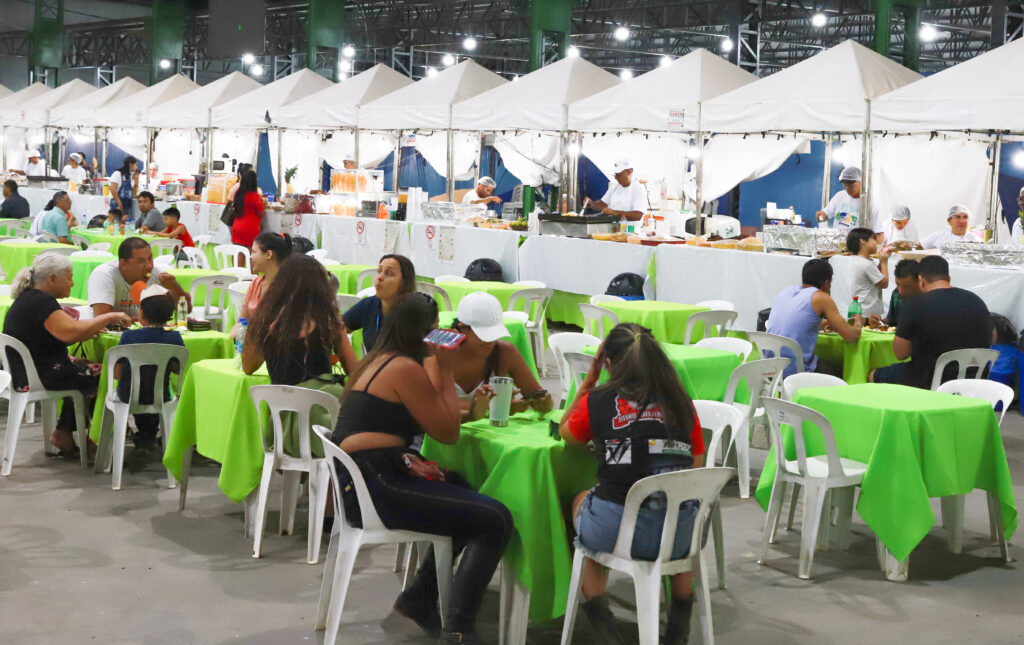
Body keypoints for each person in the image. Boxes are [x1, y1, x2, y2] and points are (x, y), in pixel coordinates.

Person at [331, 293, 513, 645]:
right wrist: (444, 367)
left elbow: (432, 420)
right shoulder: (403, 368)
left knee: (463, 489)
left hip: (366, 478)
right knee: (496, 519)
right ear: (422, 333)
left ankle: (420, 597)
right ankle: (458, 629)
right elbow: (447, 432)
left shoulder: (380, 359)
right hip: (377, 486)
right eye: (433, 330)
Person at [559, 323, 704, 645]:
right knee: (676, 508)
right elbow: (695, 468)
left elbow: (566, 434)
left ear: (608, 362)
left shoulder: (597, 400)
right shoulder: (682, 402)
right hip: (678, 538)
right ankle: (678, 629)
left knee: (578, 502)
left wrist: (589, 381)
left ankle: (606, 627)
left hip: (617, 533)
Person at [2, 254, 131, 456]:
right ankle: (95, 439)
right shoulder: (42, 303)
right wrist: (110, 316)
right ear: (52, 278)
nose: (72, 283)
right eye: (69, 277)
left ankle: (65, 432)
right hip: (37, 374)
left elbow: (63, 335)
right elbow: (72, 333)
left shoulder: (30, 298)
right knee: (107, 374)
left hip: (24, 370)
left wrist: (89, 329)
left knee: (85, 367)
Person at [870, 256, 994, 389]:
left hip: (930, 380)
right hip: (975, 381)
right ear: (948, 278)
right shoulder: (976, 300)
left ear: (921, 280)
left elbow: (900, 354)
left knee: (873, 375)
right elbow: (992, 337)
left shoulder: (914, 305)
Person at [242, 253, 358, 383]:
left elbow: (248, 367)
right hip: (319, 395)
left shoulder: (266, 320)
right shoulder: (328, 321)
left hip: (279, 395)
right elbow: (354, 371)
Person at [447, 291, 553, 420]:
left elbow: (537, 394)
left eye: (493, 334)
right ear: (463, 328)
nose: (489, 341)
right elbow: (433, 405)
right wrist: (498, 406)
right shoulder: (442, 353)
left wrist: (543, 402)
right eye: (483, 335)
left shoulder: (504, 352)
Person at [112, 284, 184, 471]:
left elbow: (117, 373)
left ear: (141, 314)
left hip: (128, 394)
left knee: (138, 389)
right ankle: (148, 436)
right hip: (161, 395)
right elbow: (177, 369)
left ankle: (144, 438)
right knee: (153, 390)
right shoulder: (175, 338)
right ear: (169, 316)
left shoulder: (128, 337)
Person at [766, 258, 863, 377]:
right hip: (796, 369)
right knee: (840, 369)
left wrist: (824, 324)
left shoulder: (785, 292)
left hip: (768, 367)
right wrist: (858, 323)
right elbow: (851, 337)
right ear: (828, 281)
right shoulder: (821, 297)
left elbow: (795, 324)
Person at [88, 236, 190, 320]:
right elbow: (101, 318)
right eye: (141, 261)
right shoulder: (105, 274)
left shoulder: (159, 273)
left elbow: (187, 309)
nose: (149, 266)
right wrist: (143, 320)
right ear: (123, 264)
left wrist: (174, 287)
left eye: (150, 258)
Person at [342, 254, 416, 352]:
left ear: (404, 282)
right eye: (379, 271)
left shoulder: (416, 311)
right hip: (373, 361)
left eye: (389, 273)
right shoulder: (369, 304)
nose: (379, 277)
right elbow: (339, 327)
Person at [236, 232, 292, 335]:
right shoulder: (255, 283)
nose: (250, 257)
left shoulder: (289, 286)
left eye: (254, 252)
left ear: (268, 254)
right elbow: (241, 322)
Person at [815, 166, 879, 231]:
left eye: (851, 185)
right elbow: (825, 215)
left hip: (856, 237)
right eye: (845, 185)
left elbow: (879, 232)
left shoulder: (870, 203)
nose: (848, 188)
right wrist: (821, 217)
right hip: (837, 236)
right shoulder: (840, 196)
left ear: (861, 182)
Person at [847, 227, 891, 318]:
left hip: (860, 309)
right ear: (862, 241)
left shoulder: (859, 260)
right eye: (873, 239)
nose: (876, 243)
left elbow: (876, 277)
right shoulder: (866, 264)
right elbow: (884, 283)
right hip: (867, 312)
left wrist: (881, 261)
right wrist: (884, 262)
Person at [882, 259, 920, 328]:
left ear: (919, 282)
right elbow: (891, 321)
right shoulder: (896, 294)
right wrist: (879, 322)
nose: (900, 292)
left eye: (906, 287)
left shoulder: (929, 299)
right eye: (898, 285)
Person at [231, 169, 263, 248]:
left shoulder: (238, 195)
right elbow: (261, 213)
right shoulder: (254, 196)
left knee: (237, 253)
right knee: (249, 254)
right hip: (250, 229)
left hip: (236, 228)